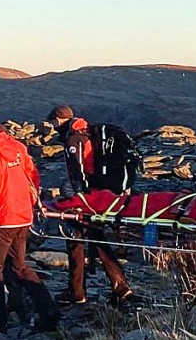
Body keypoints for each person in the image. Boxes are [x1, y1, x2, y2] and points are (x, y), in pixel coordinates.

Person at [0, 110, 60, 332]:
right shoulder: (17, 146)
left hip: (1, 218)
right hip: (22, 215)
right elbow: (33, 176)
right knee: (18, 266)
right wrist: (30, 202)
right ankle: (47, 309)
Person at [46, 105, 135, 307]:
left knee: (75, 242)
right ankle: (121, 287)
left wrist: (79, 198)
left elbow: (77, 171)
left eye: (52, 122)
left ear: (58, 120)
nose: (52, 127)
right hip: (99, 193)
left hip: (87, 197)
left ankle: (77, 292)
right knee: (98, 238)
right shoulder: (87, 131)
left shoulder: (73, 139)